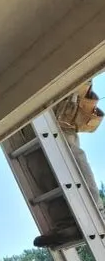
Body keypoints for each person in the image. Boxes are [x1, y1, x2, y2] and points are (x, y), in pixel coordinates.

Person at [34, 81, 104, 248]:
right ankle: (66, 225)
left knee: (67, 149)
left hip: (60, 94)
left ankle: (97, 214)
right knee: (41, 161)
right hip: (43, 94)